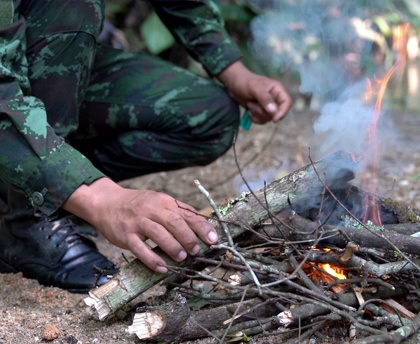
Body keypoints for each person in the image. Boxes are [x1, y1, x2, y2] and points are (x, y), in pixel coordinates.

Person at [0, 0, 292, 293]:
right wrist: (103, 200)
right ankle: (29, 220)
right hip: (6, 87)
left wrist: (231, 68)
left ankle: (52, 185)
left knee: (207, 116)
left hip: (30, 63)